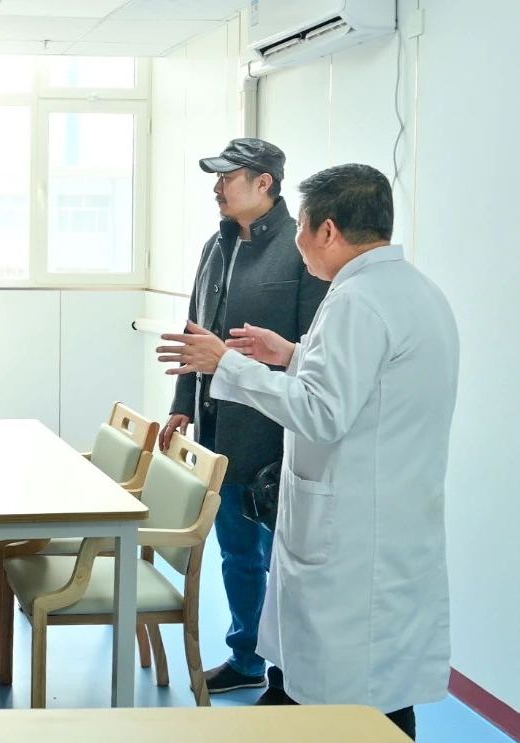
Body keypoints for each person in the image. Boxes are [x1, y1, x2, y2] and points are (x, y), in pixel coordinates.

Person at [156, 163, 459, 740]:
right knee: (365, 685)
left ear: (328, 231)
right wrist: (291, 354)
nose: (295, 238)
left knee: (355, 695)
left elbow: (322, 411)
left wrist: (230, 365)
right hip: (387, 519)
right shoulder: (413, 292)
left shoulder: (357, 302)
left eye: (300, 226)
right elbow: (368, 386)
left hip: (354, 535)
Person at [162, 138, 328, 693]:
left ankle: (289, 673)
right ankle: (247, 657)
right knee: (237, 554)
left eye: (227, 177)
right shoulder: (216, 245)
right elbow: (196, 330)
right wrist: (182, 404)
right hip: (220, 429)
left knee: (285, 561)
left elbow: (312, 350)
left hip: (277, 434)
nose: (217, 188)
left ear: (264, 183)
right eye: (216, 178)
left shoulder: (299, 250)